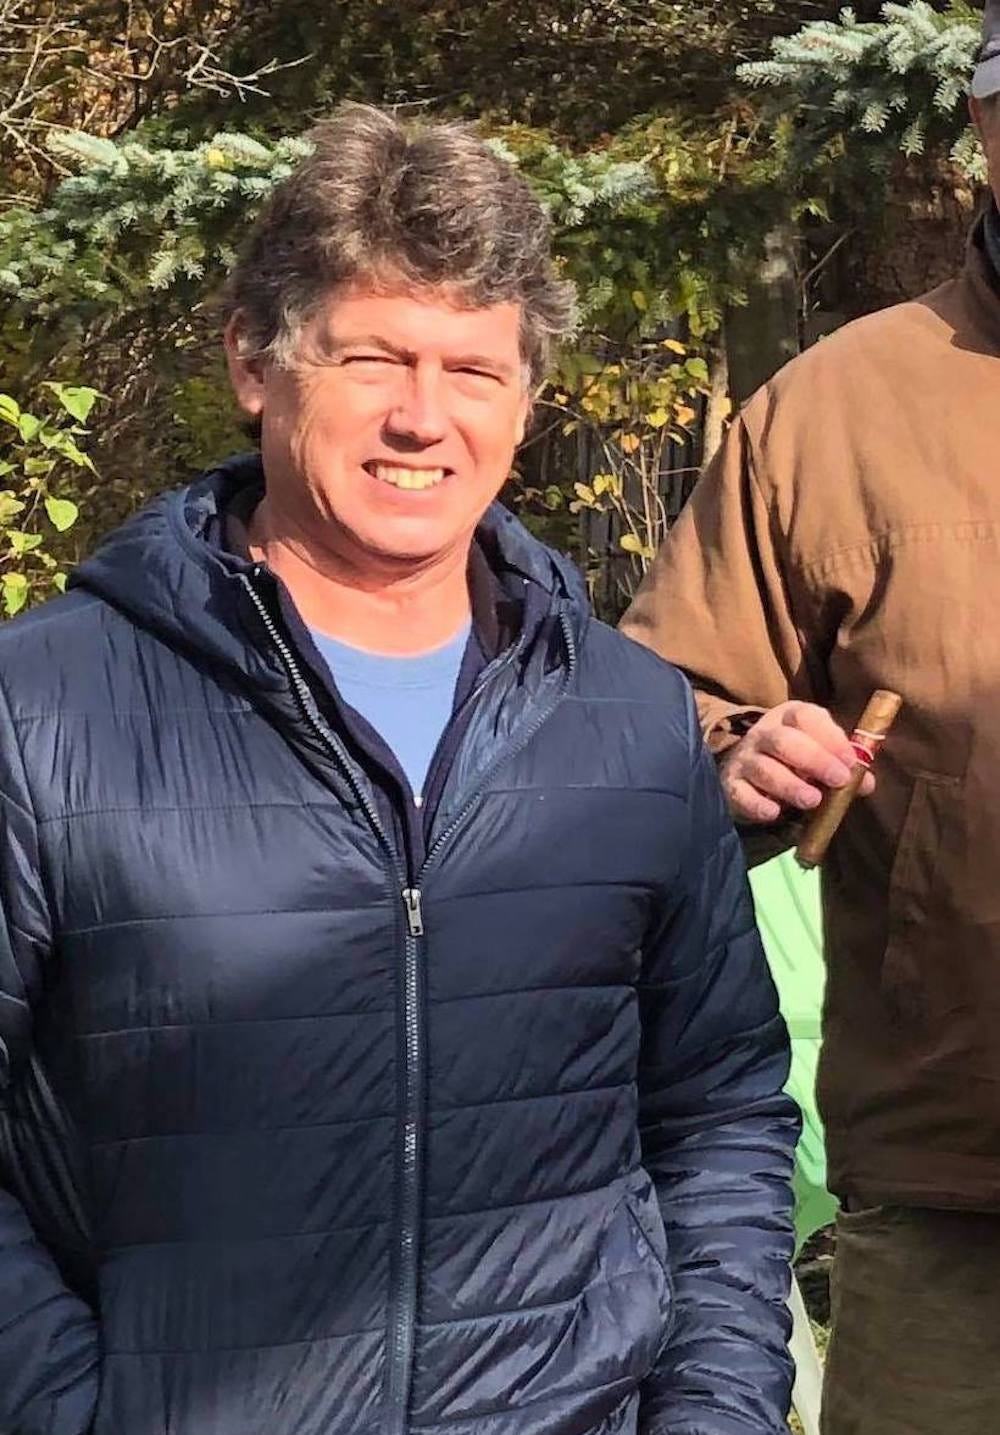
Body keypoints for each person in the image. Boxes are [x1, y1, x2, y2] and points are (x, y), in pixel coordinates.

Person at [0, 104, 797, 1435]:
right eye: (372, 356)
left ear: (526, 401)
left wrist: (715, 1412)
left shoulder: (628, 717)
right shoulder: (41, 710)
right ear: (255, 362)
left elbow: (717, 1108)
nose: (424, 419)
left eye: (474, 370)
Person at [621, 8, 1000, 1432]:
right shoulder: (837, 412)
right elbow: (654, 719)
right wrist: (737, 754)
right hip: (961, 1215)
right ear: (984, 124)